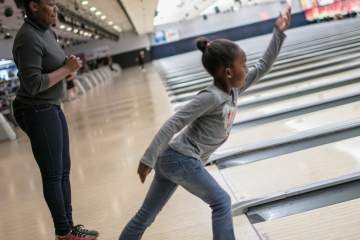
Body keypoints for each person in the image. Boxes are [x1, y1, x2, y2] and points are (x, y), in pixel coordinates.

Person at [119, 7, 292, 240]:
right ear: (229, 72)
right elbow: (175, 122)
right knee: (221, 201)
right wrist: (148, 157)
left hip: (173, 158)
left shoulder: (234, 89)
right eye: (244, 64)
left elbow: (263, 66)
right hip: (180, 158)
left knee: (145, 216)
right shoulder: (211, 97)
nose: (247, 68)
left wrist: (278, 32)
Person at [12, 0, 99, 239]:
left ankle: (70, 227)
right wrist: (65, 69)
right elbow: (32, 85)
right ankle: (63, 232)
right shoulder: (27, 38)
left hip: (51, 106)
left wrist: (69, 70)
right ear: (34, 6)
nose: (56, 8)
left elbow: (53, 69)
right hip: (35, 110)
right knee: (52, 173)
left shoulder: (46, 31)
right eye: (50, 3)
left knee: (63, 170)